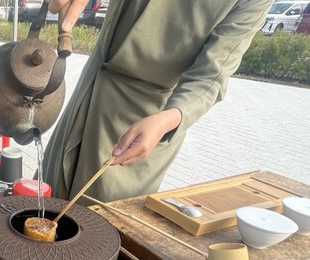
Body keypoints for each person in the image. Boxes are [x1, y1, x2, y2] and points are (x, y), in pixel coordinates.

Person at [41, 0, 273, 202]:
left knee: (101, 225)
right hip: (92, 85)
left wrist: (169, 119)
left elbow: (212, 75)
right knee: (43, 204)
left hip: (149, 119)